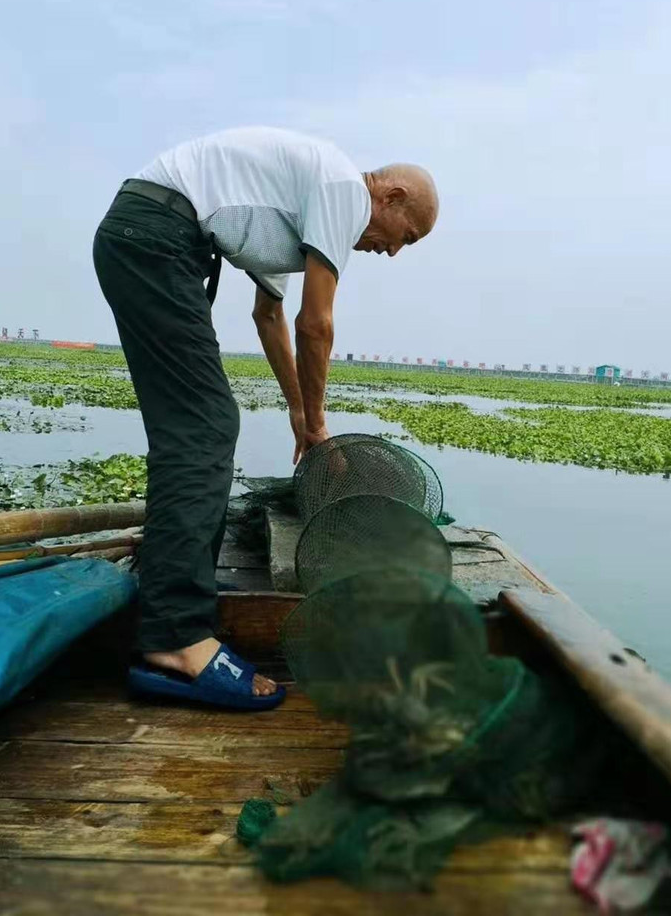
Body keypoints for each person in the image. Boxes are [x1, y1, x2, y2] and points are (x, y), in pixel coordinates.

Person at [93, 126, 439, 710]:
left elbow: (269, 316)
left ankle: (172, 625)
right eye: (404, 236)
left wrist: (301, 416)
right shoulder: (343, 192)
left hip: (147, 236)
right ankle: (177, 639)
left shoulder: (300, 213)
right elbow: (315, 325)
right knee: (205, 426)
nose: (394, 250)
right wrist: (322, 423)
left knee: (193, 427)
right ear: (391, 196)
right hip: (157, 236)